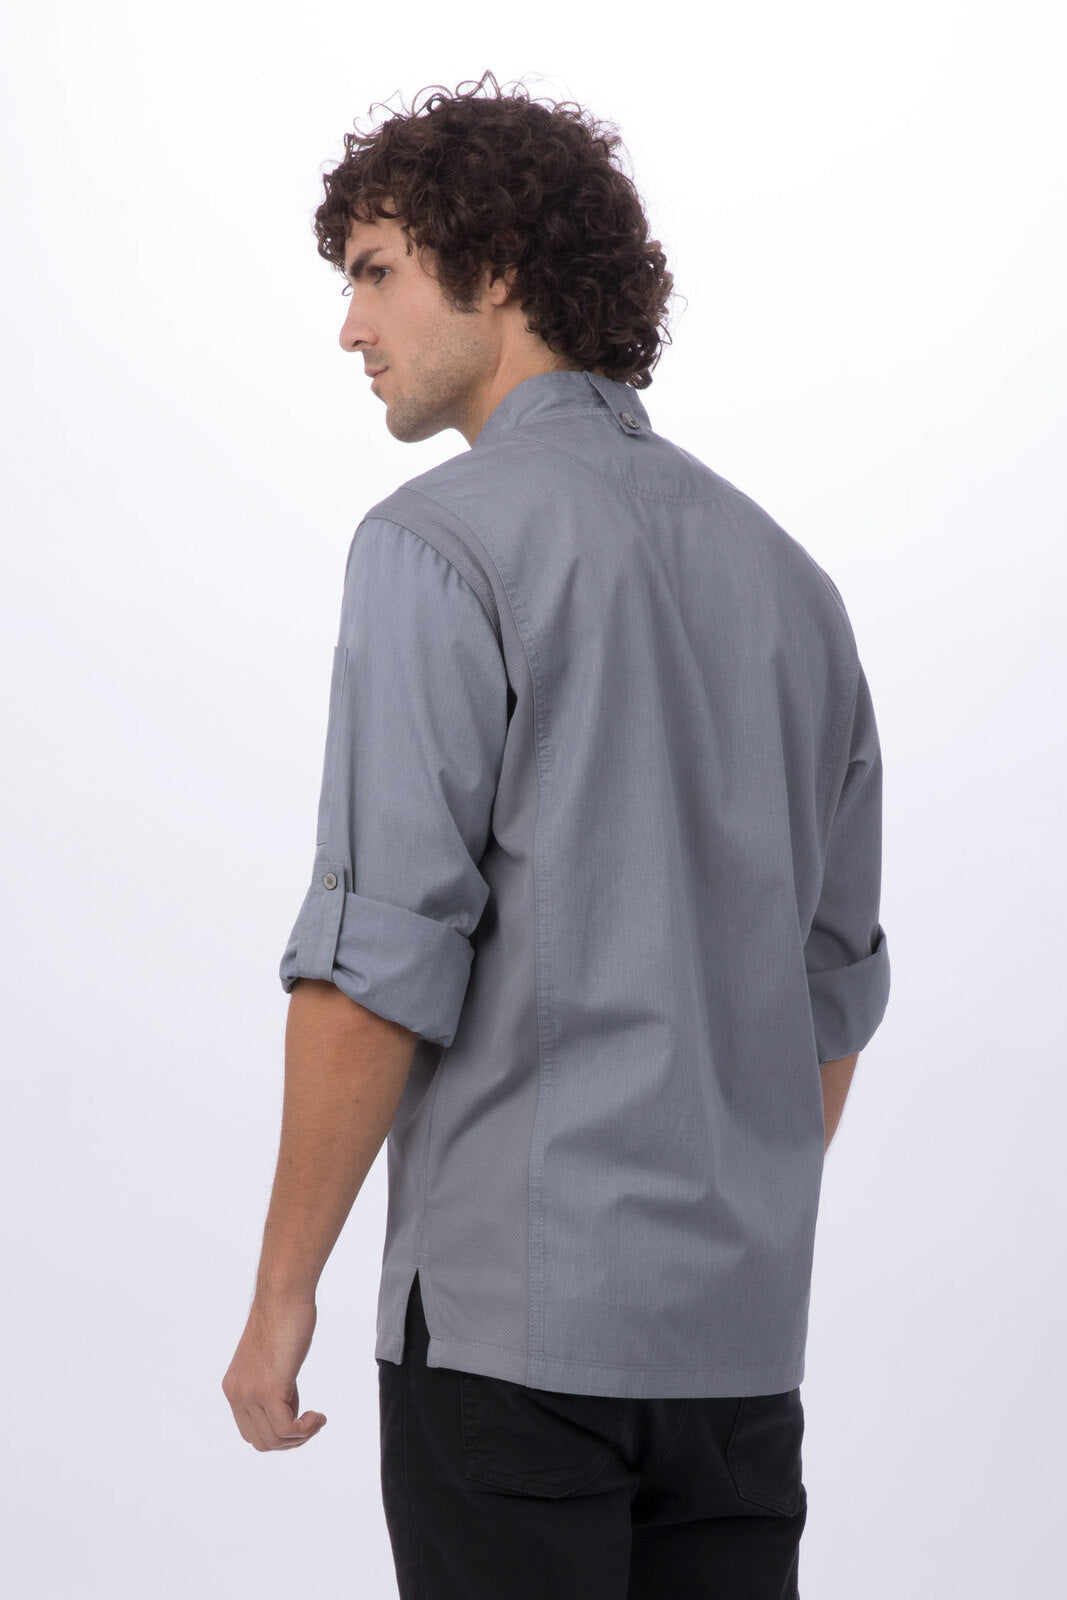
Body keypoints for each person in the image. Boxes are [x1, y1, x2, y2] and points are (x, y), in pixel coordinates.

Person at [221, 71, 891, 1600]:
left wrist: (282, 1290)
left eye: (375, 272)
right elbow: (831, 993)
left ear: (501, 266)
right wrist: (713, 1223)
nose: (350, 328)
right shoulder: (796, 588)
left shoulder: (435, 548)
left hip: (508, 1352)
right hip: (738, 1362)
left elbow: (378, 962)